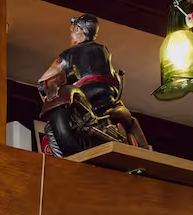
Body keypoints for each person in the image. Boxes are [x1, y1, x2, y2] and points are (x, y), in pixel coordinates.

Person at [36, 14, 150, 154]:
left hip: (84, 98)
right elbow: (113, 77)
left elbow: (48, 77)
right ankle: (146, 152)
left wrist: (45, 85)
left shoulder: (68, 54)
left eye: (73, 30)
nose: (71, 35)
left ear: (79, 30)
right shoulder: (104, 50)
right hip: (107, 99)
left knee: (52, 128)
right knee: (130, 120)